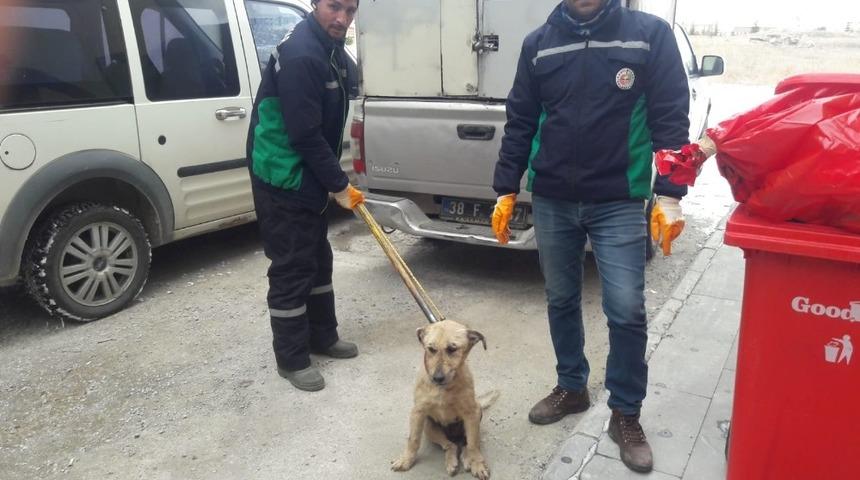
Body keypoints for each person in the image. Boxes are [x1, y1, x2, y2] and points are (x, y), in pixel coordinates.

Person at [491, 0, 690, 473]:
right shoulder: (539, 44)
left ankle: (625, 413)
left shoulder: (648, 35)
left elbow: (670, 116)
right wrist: (505, 187)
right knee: (560, 298)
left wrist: (670, 193)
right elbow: (521, 119)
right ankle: (572, 387)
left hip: (618, 197)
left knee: (626, 309)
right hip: (552, 197)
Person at [247, 0, 363, 392]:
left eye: (350, 10)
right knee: (293, 266)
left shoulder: (332, 50)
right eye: (334, 7)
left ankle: (323, 336)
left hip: (307, 171)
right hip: (282, 171)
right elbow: (305, 134)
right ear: (315, 3)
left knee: (318, 259)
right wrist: (340, 184)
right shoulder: (302, 54)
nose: (342, 18)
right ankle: (292, 359)